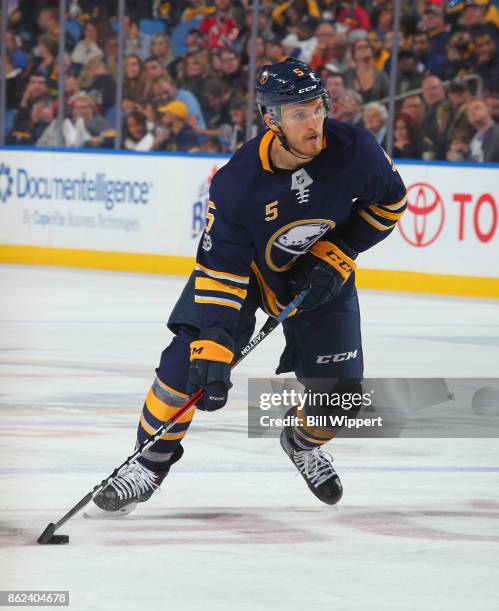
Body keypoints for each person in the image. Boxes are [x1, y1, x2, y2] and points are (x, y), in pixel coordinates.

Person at [84, 58, 406, 518]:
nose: (314, 123)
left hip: (320, 271)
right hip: (249, 274)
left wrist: (337, 252)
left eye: (317, 107)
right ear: (271, 119)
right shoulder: (238, 182)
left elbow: (391, 202)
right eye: (298, 114)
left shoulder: (356, 149)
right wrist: (214, 347)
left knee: (341, 400)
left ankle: (300, 442)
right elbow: (220, 271)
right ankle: (148, 464)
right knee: (185, 365)